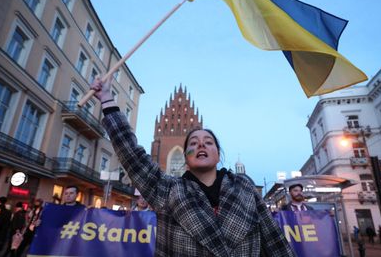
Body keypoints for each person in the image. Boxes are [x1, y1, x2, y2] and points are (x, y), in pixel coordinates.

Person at [91, 79, 295, 256]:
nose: (201, 145)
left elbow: (275, 242)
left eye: (208, 142)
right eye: (193, 143)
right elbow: (132, 155)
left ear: (218, 154)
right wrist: (108, 100)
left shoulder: (245, 187)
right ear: (186, 159)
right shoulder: (168, 189)